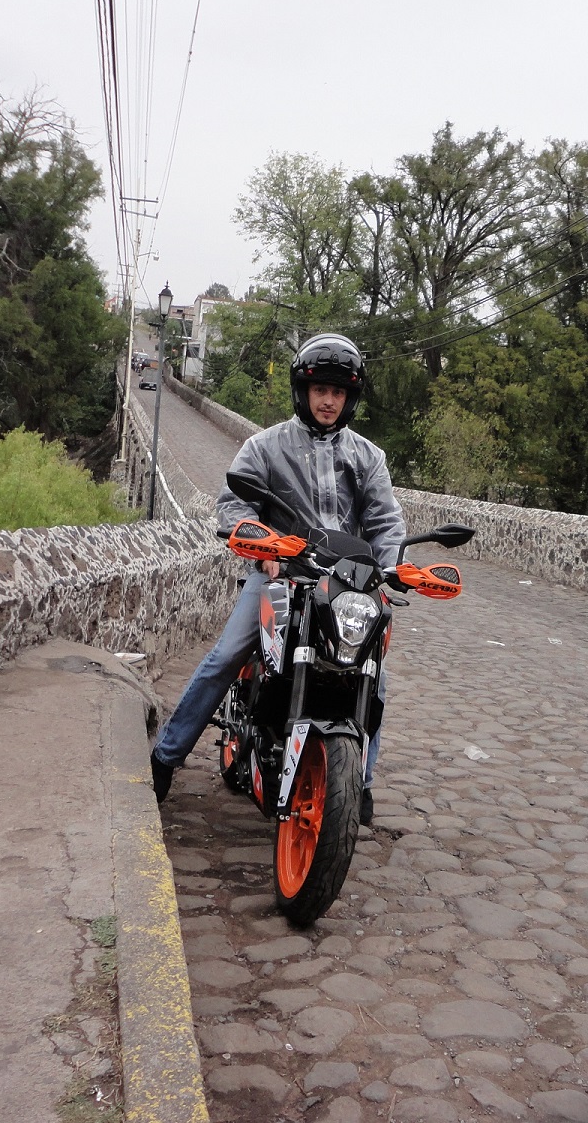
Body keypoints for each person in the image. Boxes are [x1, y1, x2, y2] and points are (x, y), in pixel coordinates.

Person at [150, 332, 406, 826]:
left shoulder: (368, 457)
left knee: (375, 680)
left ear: (350, 397)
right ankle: (166, 756)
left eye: (338, 391)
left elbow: (384, 522)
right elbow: (233, 504)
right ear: (303, 391)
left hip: (347, 588)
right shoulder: (264, 447)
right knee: (227, 655)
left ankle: (361, 785)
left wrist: (391, 566)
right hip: (280, 578)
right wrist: (263, 544)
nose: (328, 400)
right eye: (320, 389)